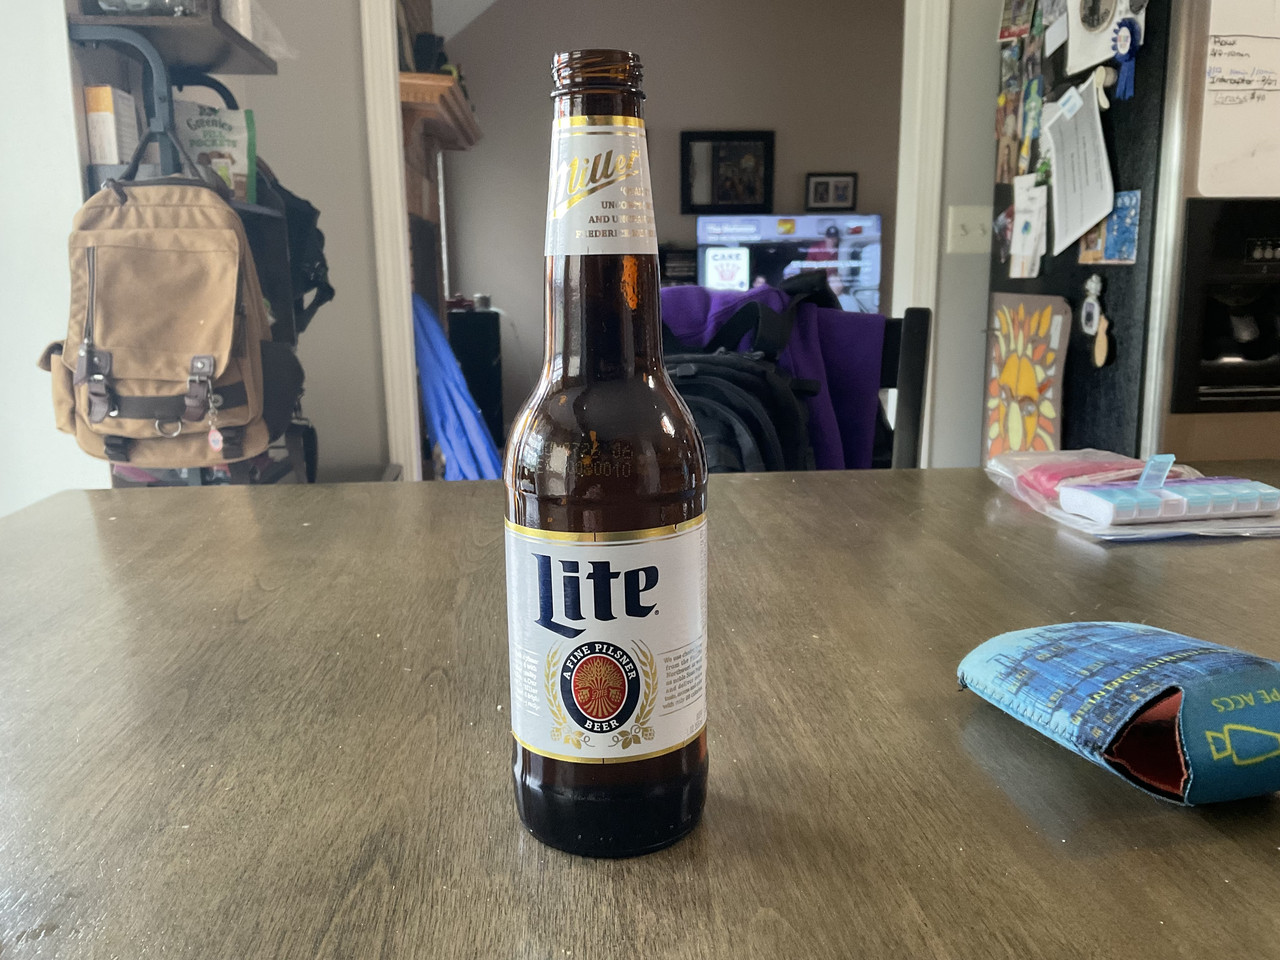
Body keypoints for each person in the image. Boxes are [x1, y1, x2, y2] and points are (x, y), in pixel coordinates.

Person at [805, 224, 845, 295]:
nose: (832, 240)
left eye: (834, 238)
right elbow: (807, 267)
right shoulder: (816, 249)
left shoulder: (841, 250)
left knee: (836, 283)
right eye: (829, 238)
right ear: (825, 238)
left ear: (837, 239)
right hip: (818, 279)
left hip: (833, 281)